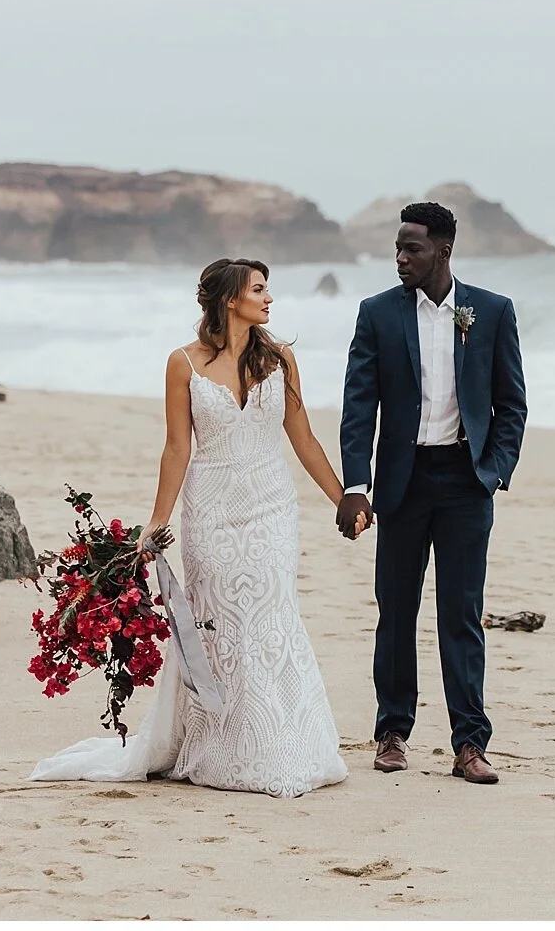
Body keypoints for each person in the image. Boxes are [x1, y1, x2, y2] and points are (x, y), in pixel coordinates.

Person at [29, 258, 357, 798]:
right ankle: (224, 744)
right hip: (211, 512)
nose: (269, 297)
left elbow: (302, 435)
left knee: (270, 617)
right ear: (230, 299)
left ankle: (281, 741)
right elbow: (178, 447)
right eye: (259, 289)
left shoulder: (281, 360)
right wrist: (154, 525)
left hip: (272, 508)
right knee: (221, 625)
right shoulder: (182, 364)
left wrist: (341, 497)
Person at [336, 201, 528, 785]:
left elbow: (511, 403)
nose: (400, 258)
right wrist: (356, 485)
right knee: (396, 610)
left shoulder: (491, 312)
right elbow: (358, 404)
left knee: (461, 613)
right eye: (397, 247)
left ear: (443, 250)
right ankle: (392, 732)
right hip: (402, 482)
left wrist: (492, 471)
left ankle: (470, 742)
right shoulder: (378, 314)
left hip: (466, 484)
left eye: (411, 248)